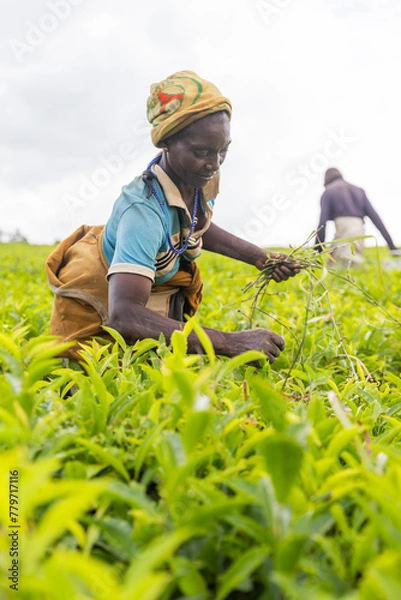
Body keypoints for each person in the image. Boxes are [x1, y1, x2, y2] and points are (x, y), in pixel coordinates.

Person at [46, 70, 300, 363]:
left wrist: (259, 257)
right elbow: (124, 316)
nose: (214, 164)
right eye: (202, 151)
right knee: (99, 371)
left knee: (160, 362)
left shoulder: (199, 177)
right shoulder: (142, 214)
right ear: (166, 143)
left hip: (147, 283)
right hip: (103, 298)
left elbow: (196, 223)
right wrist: (228, 343)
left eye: (222, 151)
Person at [315, 167, 398, 265]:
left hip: (344, 231)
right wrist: (392, 247)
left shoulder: (328, 192)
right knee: (353, 261)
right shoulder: (359, 190)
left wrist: (317, 252)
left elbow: (322, 223)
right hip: (360, 231)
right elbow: (376, 219)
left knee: (337, 265)